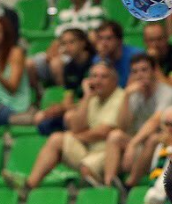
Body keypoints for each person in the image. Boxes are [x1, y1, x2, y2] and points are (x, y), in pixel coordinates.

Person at [15, 61, 125, 190]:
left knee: (86, 169)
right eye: (94, 76)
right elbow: (76, 127)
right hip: (89, 149)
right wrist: (87, 96)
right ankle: (29, 186)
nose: (98, 81)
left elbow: (103, 132)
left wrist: (76, 136)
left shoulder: (120, 97)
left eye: (103, 77)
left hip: (108, 152)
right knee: (57, 139)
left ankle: (106, 193)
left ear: (114, 80)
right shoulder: (93, 98)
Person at [105, 54, 172, 188]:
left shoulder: (168, 93)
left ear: (154, 71)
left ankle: (129, 185)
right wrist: (126, 96)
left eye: (144, 70)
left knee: (153, 138)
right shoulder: (135, 94)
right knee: (114, 136)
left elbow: (155, 122)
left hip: (168, 143)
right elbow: (122, 125)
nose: (140, 75)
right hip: (141, 144)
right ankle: (109, 185)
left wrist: (132, 144)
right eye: (135, 71)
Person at [27, 0, 104, 92]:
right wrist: (50, 53)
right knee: (30, 64)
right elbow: (57, 39)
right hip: (62, 52)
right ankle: (38, 98)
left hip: (80, 56)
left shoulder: (96, 11)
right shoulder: (63, 14)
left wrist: (68, 48)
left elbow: (92, 39)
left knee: (56, 64)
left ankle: (64, 95)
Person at [32, 29, 96, 134]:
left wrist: (65, 108)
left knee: (69, 116)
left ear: (83, 42)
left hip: (93, 107)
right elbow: (68, 97)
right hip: (78, 107)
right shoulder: (69, 68)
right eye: (64, 43)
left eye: (72, 42)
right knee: (40, 119)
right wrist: (59, 108)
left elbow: (96, 99)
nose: (67, 47)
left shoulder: (95, 64)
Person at [93, 20, 142, 86]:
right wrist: (103, 59)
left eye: (108, 38)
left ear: (119, 40)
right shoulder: (98, 59)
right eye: (100, 38)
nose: (103, 43)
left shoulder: (137, 56)